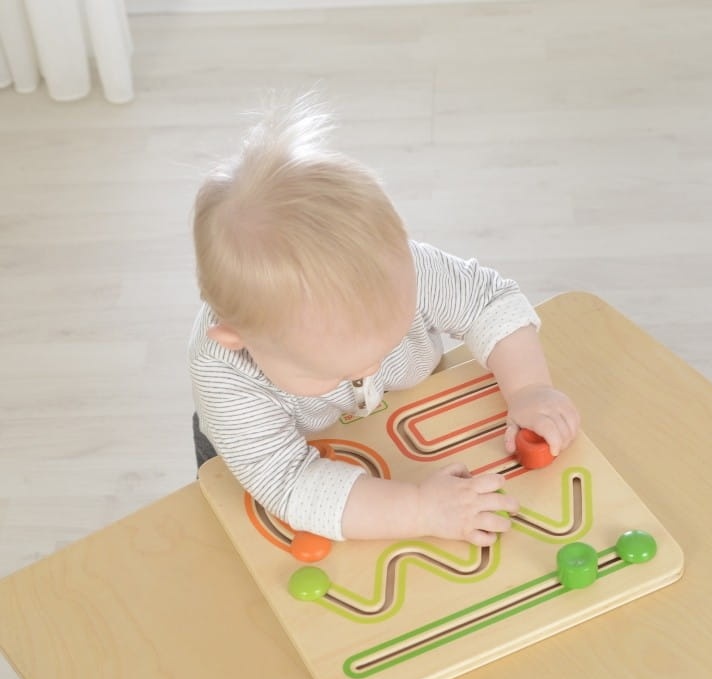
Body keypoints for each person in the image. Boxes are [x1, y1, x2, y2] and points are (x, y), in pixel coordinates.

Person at [189, 95, 580, 547]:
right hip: (278, 458)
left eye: (388, 343)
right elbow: (291, 484)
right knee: (224, 546)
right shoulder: (224, 377)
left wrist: (529, 388)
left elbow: (490, 302)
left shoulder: (394, 269)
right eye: (333, 371)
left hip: (403, 417)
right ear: (237, 339)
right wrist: (421, 511)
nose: (369, 370)